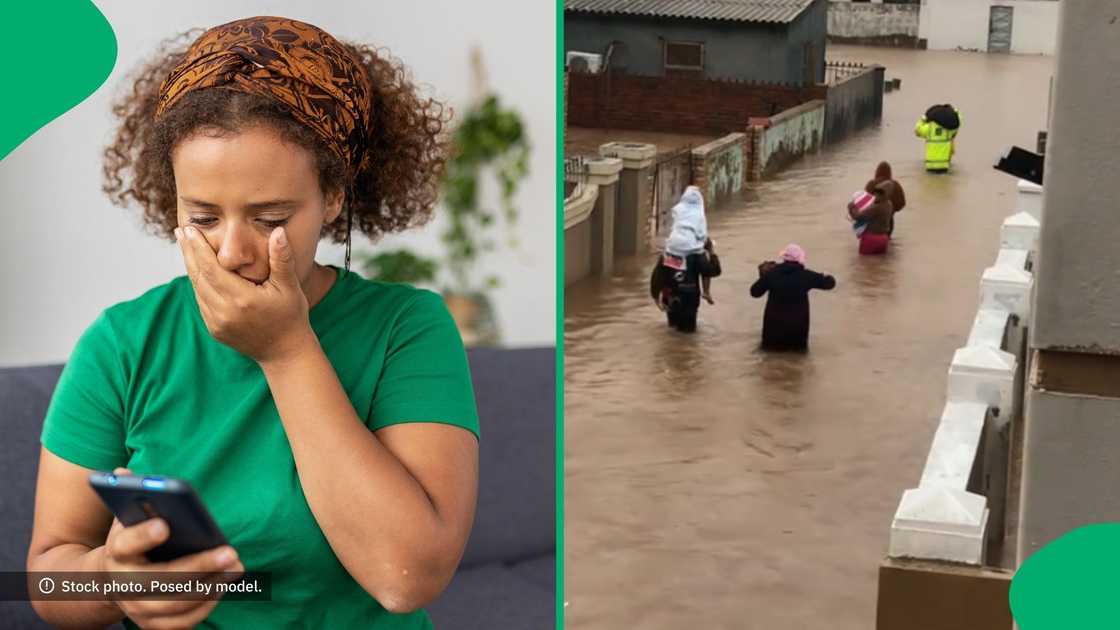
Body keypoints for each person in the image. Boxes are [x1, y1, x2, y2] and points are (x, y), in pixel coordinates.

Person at [28, 17, 479, 630]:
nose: (234, 252)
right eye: (203, 216)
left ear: (335, 197)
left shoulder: (408, 328)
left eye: (270, 216)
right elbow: (46, 581)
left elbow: (408, 578)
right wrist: (113, 576)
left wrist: (287, 351)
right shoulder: (123, 343)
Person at [749, 244, 836, 351]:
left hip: (773, 331)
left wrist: (763, 277)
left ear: (784, 258)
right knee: (797, 363)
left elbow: (754, 293)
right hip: (797, 332)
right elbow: (831, 283)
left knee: (769, 358)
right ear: (800, 259)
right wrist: (824, 274)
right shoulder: (807, 276)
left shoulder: (772, 274)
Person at [650, 237, 722, 333]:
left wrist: (656, 299)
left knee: (672, 331)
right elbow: (714, 271)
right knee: (688, 335)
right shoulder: (697, 256)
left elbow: (657, 278)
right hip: (689, 300)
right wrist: (711, 252)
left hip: (671, 299)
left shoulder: (667, 256)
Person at [664, 186, 716, 304]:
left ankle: (664, 293)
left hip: (673, 246)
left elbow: (673, 226)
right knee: (705, 268)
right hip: (690, 248)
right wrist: (708, 247)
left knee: (665, 270)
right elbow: (702, 235)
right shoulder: (699, 214)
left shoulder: (677, 209)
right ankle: (706, 291)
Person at [848, 181, 895, 255]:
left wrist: (851, 207)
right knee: (879, 264)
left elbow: (857, 216)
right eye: (875, 193)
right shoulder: (889, 204)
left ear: (884, 195)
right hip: (884, 239)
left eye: (879, 194)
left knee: (863, 263)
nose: (875, 195)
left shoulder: (875, 208)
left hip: (870, 239)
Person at [914, 106, 962, 172]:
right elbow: (958, 123)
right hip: (944, 166)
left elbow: (917, 130)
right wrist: (955, 112)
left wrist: (923, 118)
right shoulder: (949, 130)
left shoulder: (929, 128)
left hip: (930, 166)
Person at [865, 161, 906, 236]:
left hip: (872, 222)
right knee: (887, 242)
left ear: (877, 171)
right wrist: (892, 210)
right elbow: (902, 203)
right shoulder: (895, 185)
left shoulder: (871, 184)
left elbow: (864, 202)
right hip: (889, 221)